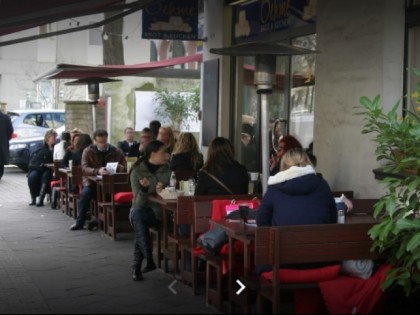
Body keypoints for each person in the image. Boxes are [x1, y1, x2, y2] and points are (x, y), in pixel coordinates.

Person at [257, 147, 337, 227]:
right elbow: (333, 218)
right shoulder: (322, 185)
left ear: (284, 165)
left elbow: (261, 221)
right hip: (319, 238)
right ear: (307, 162)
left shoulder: (274, 189)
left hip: (284, 238)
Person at [129, 140, 171, 281]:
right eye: (163, 152)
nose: (166, 155)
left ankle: (141, 264)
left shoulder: (168, 170)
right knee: (139, 216)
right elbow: (138, 202)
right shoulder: (137, 171)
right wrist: (145, 189)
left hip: (159, 212)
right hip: (140, 209)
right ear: (153, 154)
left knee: (139, 221)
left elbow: (172, 192)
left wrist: (163, 191)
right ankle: (147, 260)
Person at [70, 129, 126, 231]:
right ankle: (80, 221)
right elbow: (84, 168)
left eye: (104, 141)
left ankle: (100, 220)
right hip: (92, 182)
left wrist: (121, 167)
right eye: (100, 142)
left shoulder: (116, 151)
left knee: (114, 197)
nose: (103, 144)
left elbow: (124, 165)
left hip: (112, 183)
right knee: (85, 194)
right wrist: (97, 171)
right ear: (95, 141)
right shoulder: (88, 151)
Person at [27, 129, 57, 206]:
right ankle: (33, 197)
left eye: (55, 137)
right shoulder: (41, 147)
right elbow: (36, 159)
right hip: (38, 168)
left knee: (46, 176)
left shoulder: (56, 148)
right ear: (48, 138)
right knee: (32, 177)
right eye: (53, 137)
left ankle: (41, 199)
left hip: (48, 169)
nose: (55, 139)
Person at [0, 110, 13, 180]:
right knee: (1, 161)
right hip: (3, 143)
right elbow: (10, 131)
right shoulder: (6, 118)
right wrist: (6, 139)